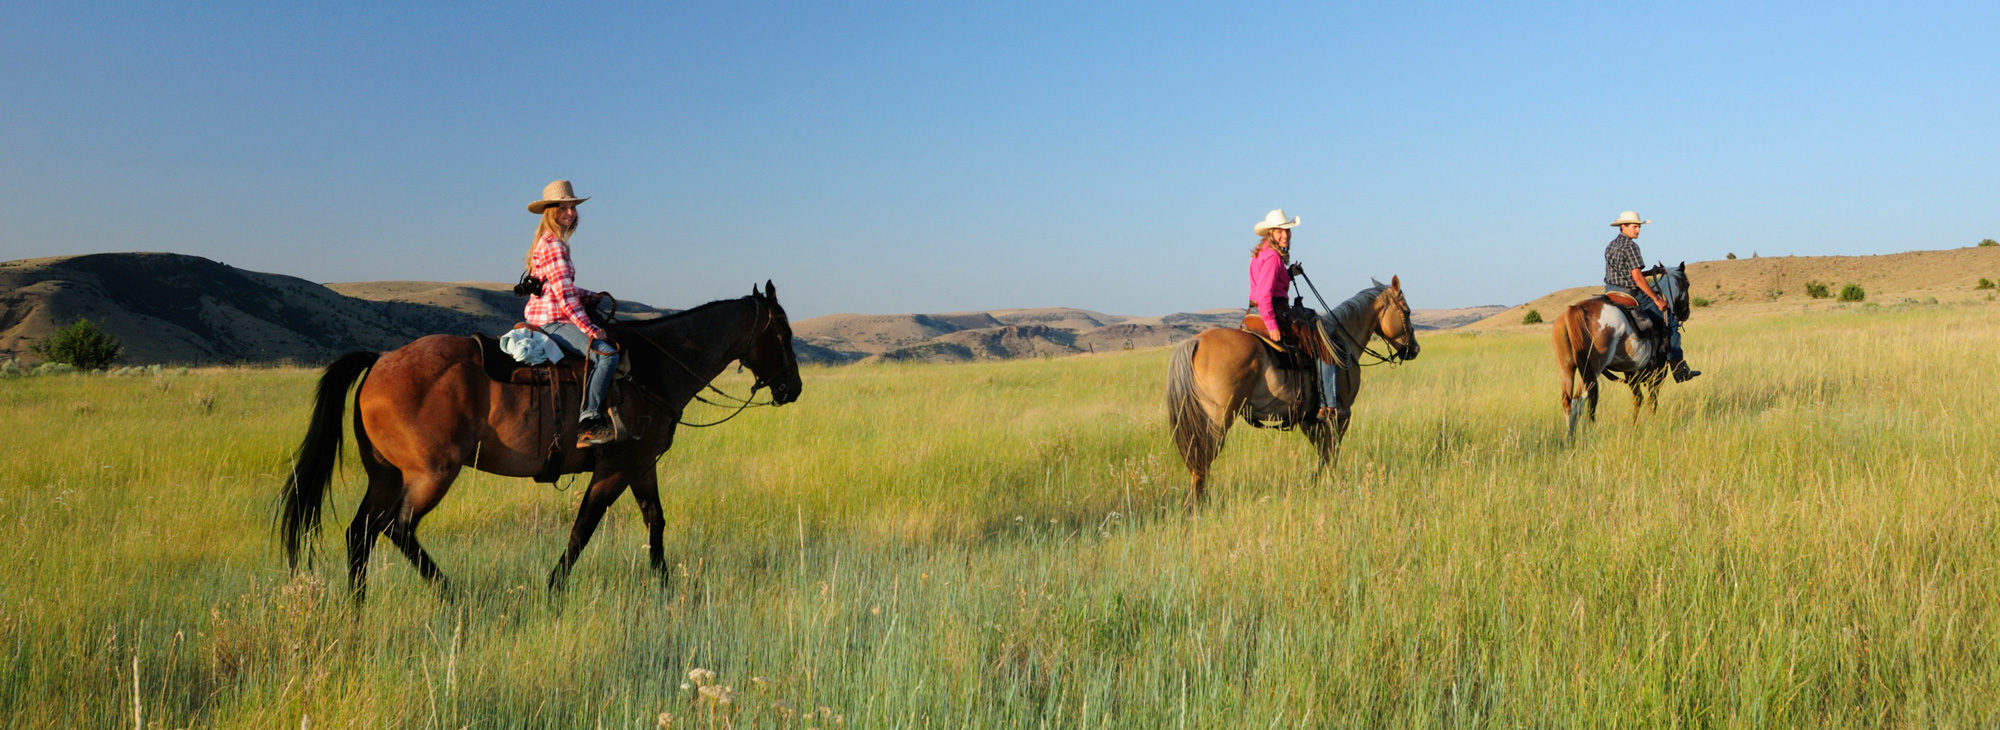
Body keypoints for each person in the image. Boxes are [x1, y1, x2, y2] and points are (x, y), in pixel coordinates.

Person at [522, 180, 622, 446]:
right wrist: (590, 329)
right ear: (550, 211)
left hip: (543, 317)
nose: (570, 213)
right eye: (563, 208)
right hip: (552, 322)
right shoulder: (555, 246)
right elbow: (565, 298)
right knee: (608, 356)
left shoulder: (546, 242)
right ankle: (588, 420)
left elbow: (559, 287)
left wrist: (590, 296)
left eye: (572, 207)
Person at [1248, 209, 1340, 420]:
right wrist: (1271, 325)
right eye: (1280, 231)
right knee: (1323, 344)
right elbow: (1264, 295)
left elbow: (1269, 285)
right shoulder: (1272, 258)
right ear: (1270, 233)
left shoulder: (1262, 253)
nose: (1285, 235)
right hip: (1275, 311)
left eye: (1287, 231)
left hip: (1254, 311)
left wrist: (1289, 274)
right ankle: (1328, 405)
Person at [1603, 211, 1699, 382]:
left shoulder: (1610, 246)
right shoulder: (1631, 247)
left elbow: (1628, 273)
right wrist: (1656, 299)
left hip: (1610, 292)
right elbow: (1637, 278)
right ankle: (1678, 368)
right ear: (1623, 226)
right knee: (1670, 320)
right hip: (1629, 294)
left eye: (1639, 227)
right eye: (1635, 226)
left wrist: (1652, 272)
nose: (1638, 230)